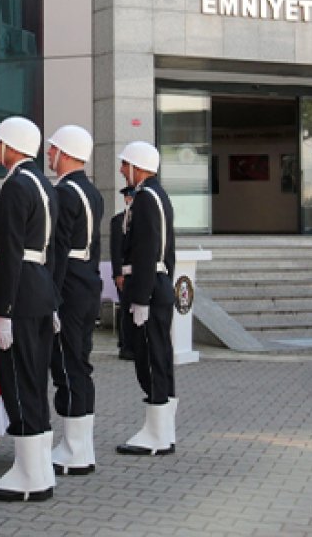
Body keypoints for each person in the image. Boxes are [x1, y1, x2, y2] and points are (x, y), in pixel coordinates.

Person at [0, 116, 59, 503]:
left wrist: (2, 309)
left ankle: (30, 474)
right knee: (33, 380)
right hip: (41, 289)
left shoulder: (15, 186)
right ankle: (39, 469)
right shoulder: (45, 184)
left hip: (20, 293)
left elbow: (9, 252)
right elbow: (53, 249)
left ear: (13, 147)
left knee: (17, 380)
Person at [44, 125, 104, 477]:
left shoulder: (65, 192)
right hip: (87, 283)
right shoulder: (91, 191)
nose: (50, 156)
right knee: (79, 363)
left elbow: (59, 250)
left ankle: (74, 450)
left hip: (69, 286)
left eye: (53, 150)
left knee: (67, 365)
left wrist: (51, 296)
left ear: (66, 153)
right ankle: (79, 446)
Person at [113, 141, 179, 458]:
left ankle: (156, 433)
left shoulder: (145, 199)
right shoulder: (158, 195)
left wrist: (140, 297)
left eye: (126, 164)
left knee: (151, 359)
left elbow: (147, 250)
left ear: (139, 167)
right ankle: (162, 430)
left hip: (149, 288)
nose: (123, 170)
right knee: (160, 357)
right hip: (158, 284)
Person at [110, 186, 136, 361]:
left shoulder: (141, 219)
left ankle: (135, 345)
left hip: (139, 272)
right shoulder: (118, 220)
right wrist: (117, 273)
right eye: (130, 197)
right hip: (125, 272)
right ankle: (126, 346)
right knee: (126, 310)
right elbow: (115, 249)